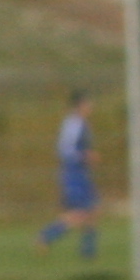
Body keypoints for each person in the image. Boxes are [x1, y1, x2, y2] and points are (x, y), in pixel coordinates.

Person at [36, 88, 101, 264]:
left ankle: (88, 254)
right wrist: (84, 156)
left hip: (82, 173)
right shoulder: (72, 124)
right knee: (79, 214)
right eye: (88, 103)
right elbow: (64, 150)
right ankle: (46, 236)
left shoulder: (83, 123)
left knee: (93, 210)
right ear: (79, 105)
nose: (91, 107)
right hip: (73, 174)